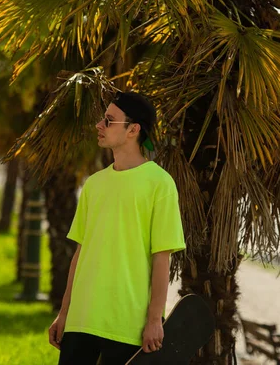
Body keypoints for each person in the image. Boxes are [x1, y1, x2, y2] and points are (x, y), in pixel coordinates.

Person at [48, 91, 186, 364]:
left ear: (134, 129)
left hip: (127, 325)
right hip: (81, 319)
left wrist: (154, 320)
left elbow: (162, 257)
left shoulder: (160, 184)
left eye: (109, 121)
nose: (99, 125)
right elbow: (80, 253)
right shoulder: (94, 184)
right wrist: (64, 313)